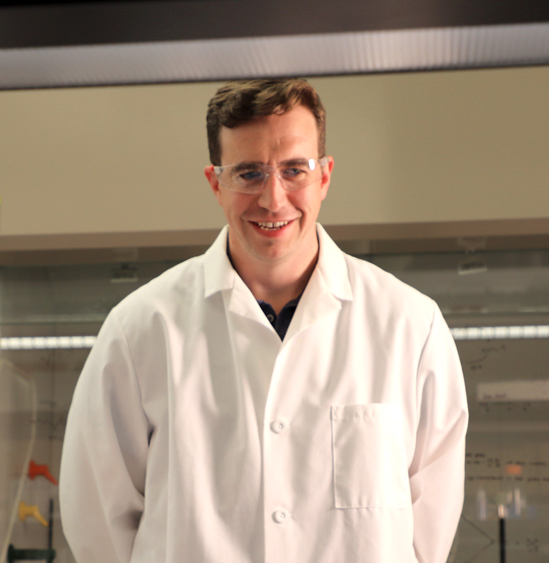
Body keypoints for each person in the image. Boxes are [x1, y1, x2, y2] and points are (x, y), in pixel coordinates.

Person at [59, 79, 468, 563]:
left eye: (294, 169)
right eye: (249, 173)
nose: (274, 199)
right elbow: (98, 523)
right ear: (216, 183)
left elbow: (429, 527)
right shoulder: (141, 329)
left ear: (325, 176)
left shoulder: (409, 326)